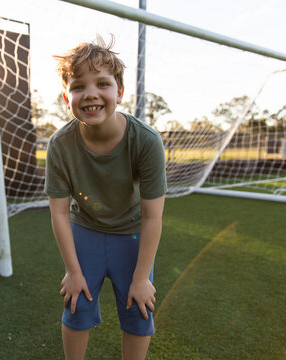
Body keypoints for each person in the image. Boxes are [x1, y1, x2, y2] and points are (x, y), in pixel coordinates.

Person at [44, 35, 167, 360]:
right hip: (86, 232)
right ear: (66, 95)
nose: (91, 94)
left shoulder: (146, 141)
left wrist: (141, 278)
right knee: (76, 305)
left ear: (120, 91)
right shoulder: (59, 145)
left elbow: (153, 216)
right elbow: (58, 213)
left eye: (102, 83)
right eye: (79, 86)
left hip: (133, 235)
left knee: (140, 310)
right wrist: (73, 271)